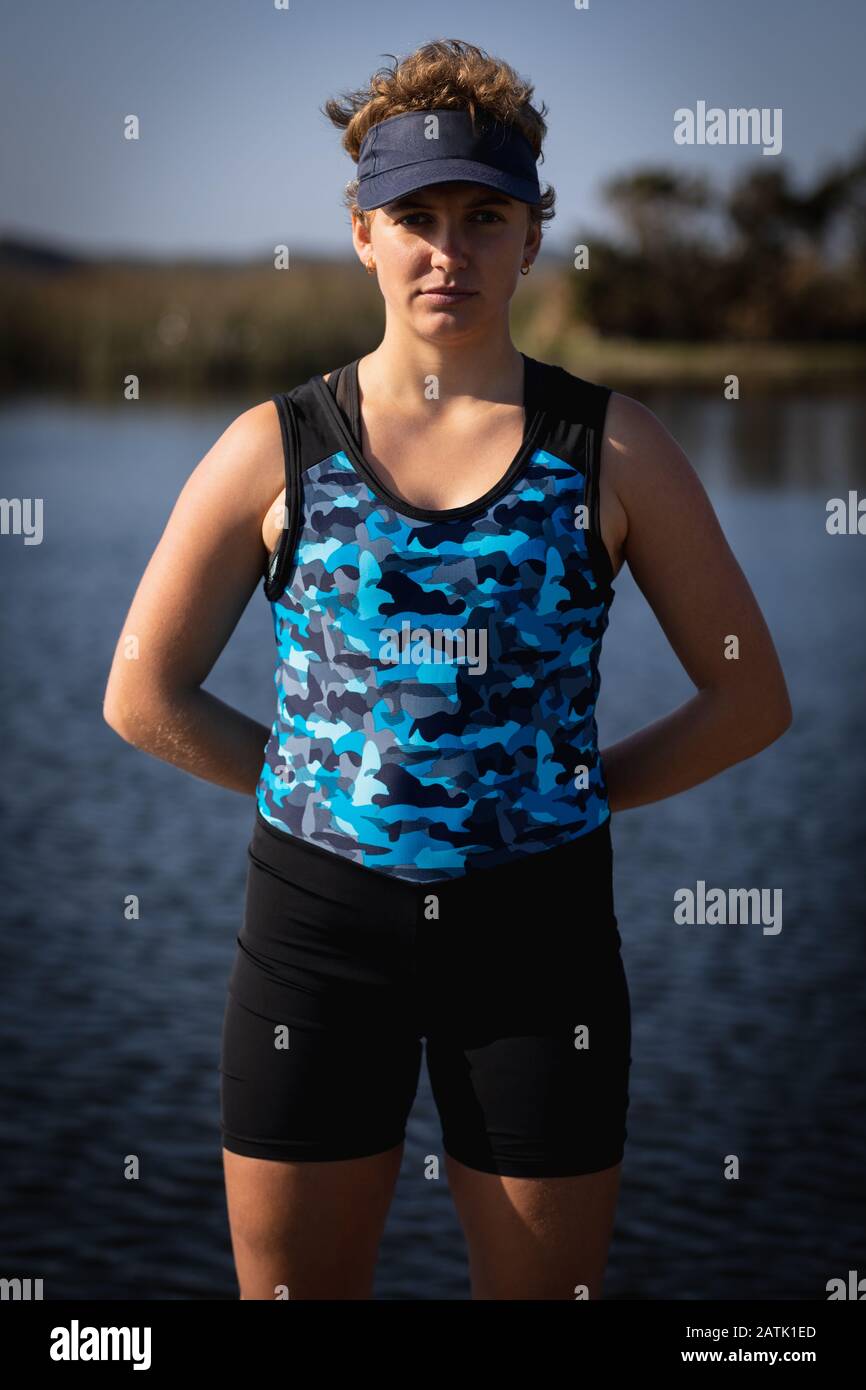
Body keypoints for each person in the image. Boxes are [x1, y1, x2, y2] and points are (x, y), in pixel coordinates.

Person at [102, 39, 792, 1300]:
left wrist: (572, 789)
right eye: (414, 216)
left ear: (531, 237)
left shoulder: (611, 450)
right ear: (361, 233)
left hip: (539, 946)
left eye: (483, 216)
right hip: (314, 939)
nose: (447, 250)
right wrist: (317, 783)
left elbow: (748, 696)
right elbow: (141, 693)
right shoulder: (273, 448)